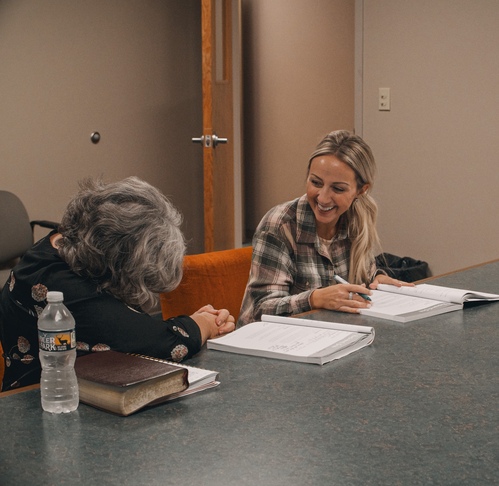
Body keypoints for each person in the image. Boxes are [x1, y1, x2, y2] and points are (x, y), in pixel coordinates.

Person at [0, 177, 235, 391]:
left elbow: (126, 323)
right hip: (35, 399)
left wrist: (197, 321)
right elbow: (159, 343)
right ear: (119, 261)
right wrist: (204, 324)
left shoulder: (67, 240)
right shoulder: (62, 287)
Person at [238, 130, 413, 327]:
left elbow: (363, 276)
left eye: (338, 189)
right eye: (316, 182)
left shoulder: (356, 218)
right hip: (273, 340)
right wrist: (314, 299)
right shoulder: (279, 225)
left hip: (332, 335)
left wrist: (376, 280)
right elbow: (259, 310)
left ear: (361, 191)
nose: (322, 198)